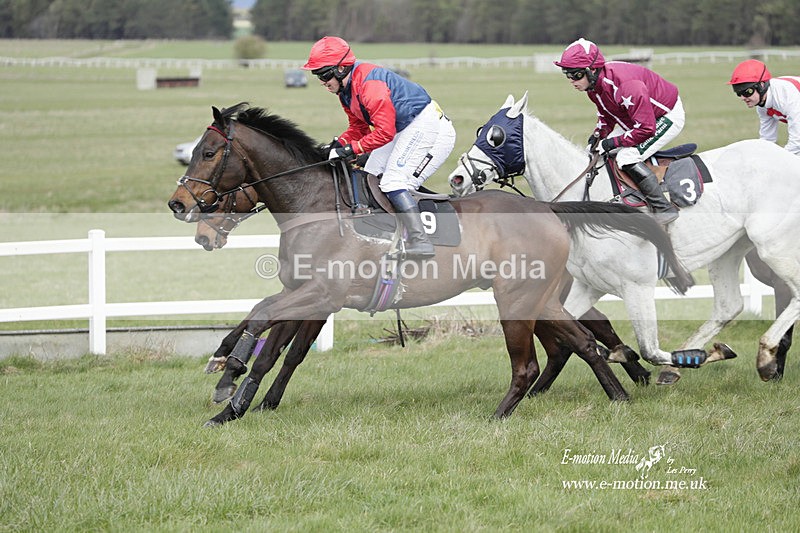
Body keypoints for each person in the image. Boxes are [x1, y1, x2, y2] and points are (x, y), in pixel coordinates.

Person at [302, 36, 456, 258]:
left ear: (341, 69)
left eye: (324, 74)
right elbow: (359, 128)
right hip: (403, 127)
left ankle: (420, 241)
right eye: (317, 75)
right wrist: (337, 145)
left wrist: (350, 150)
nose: (322, 81)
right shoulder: (345, 91)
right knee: (369, 176)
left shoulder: (369, 86)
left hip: (426, 126)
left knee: (394, 180)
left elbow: (384, 132)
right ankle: (379, 233)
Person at [554, 38, 683, 224]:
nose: (571, 81)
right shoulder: (593, 87)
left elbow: (647, 128)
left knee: (626, 157)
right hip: (637, 117)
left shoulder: (626, 86)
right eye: (567, 74)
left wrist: (614, 142)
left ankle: (663, 208)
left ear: (591, 70)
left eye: (575, 74)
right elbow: (607, 116)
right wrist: (598, 136)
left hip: (664, 116)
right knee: (597, 152)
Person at [728, 59, 800, 157]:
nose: (743, 98)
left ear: (761, 85)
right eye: (738, 93)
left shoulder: (787, 96)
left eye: (747, 92)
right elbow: (767, 141)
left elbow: (796, 143)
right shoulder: (762, 106)